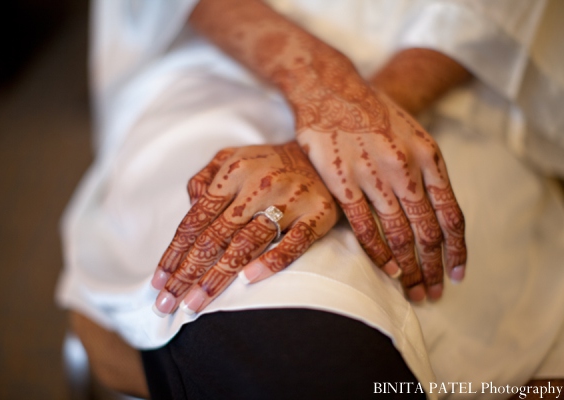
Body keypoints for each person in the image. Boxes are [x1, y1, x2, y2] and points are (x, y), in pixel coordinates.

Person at [57, 0, 564, 398]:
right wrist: (324, 89)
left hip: (454, 75)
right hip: (222, 59)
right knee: (281, 324)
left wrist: (357, 122)